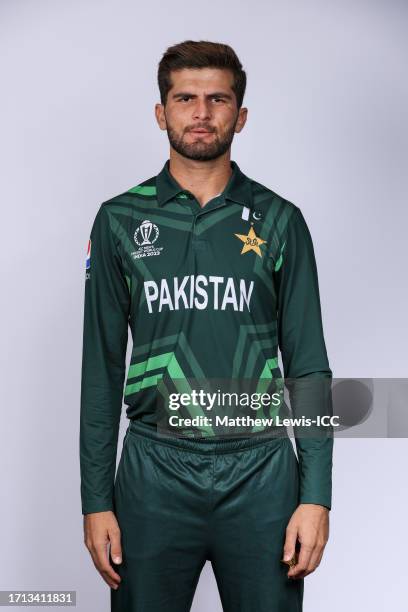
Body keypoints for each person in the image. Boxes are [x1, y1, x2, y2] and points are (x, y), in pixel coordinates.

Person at [80, 39, 334, 612]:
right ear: (160, 112)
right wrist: (95, 500)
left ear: (239, 116)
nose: (201, 112)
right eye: (185, 98)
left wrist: (316, 496)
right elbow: (100, 367)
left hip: (262, 470)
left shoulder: (279, 220)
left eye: (217, 99)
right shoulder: (120, 219)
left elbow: (309, 365)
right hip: (153, 469)